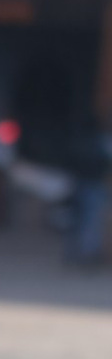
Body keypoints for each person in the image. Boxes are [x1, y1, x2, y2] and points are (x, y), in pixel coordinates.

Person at [63, 115, 109, 268]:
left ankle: (72, 254)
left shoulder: (77, 142)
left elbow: (69, 161)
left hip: (77, 183)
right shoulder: (101, 142)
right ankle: (87, 254)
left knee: (75, 220)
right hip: (94, 184)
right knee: (90, 221)